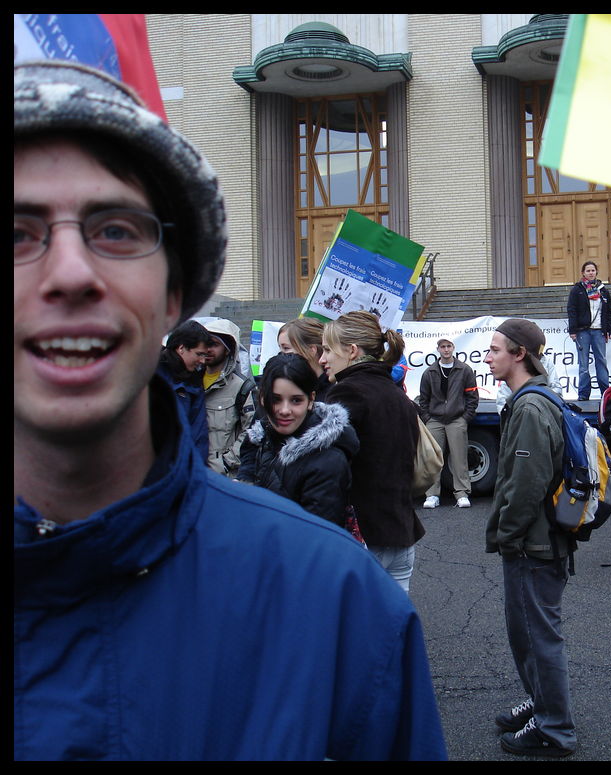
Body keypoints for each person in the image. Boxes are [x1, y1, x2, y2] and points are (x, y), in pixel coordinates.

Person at [14, 60, 445, 761]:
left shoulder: (336, 603)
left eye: (117, 230)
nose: (69, 273)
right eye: (16, 234)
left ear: (176, 292)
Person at [484, 319, 576, 758]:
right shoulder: (528, 400)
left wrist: (506, 534)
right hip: (535, 540)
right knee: (525, 635)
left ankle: (555, 729)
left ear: (520, 354)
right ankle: (542, 706)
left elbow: (526, 484)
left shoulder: (530, 408)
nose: (488, 357)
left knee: (538, 638)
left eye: (496, 349)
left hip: (534, 544)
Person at [321, 311, 423, 593]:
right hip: (401, 532)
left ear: (352, 351)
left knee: (355, 632)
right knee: (392, 631)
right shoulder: (397, 395)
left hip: (363, 535)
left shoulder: (347, 393)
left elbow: (327, 469)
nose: (322, 359)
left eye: (328, 350)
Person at [239, 353, 359, 532]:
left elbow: (317, 538)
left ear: (311, 400)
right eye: (276, 399)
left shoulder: (328, 461)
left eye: (296, 400)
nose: (285, 410)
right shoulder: (265, 436)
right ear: (263, 399)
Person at [416, 337, 479, 509]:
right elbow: (424, 399)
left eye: (448, 346)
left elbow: (472, 397)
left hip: (456, 419)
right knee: (433, 458)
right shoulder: (429, 372)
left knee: (460, 458)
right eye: (442, 347)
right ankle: (432, 495)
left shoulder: (464, 370)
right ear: (438, 349)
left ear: (453, 348)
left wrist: (465, 418)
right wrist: (427, 418)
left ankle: (462, 493)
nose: (446, 349)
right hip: (434, 420)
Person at [202, 316, 256, 477]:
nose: (208, 349)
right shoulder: (189, 381)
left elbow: (251, 431)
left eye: (215, 344)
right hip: (192, 474)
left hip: (224, 476)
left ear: (228, 349)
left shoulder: (242, 387)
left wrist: (225, 463)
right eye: (205, 343)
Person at [159, 318, 214, 462]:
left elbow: (199, 433)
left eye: (205, 355)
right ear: (181, 348)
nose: (203, 361)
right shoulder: (151, 375)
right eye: (199, 354)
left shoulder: (194, 381)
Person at [566, 260, 611, 401]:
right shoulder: (577, 290)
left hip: (599, 331)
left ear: (596, 272)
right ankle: (583, 394)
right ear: (583, 273)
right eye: (588, 271)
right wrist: (573, 330)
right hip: (583, 332)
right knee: (583, 364)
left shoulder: (603, 290)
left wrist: (610, 329)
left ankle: (605, 394)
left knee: (601, 361)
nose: (591, 273)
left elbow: (609, 311)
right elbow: (572, 310)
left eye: (593, 270)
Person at [278, 317, 331, 398]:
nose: (280, 355)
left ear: (311, 350)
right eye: (280, 348)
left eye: (286, 348)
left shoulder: (334, 392)